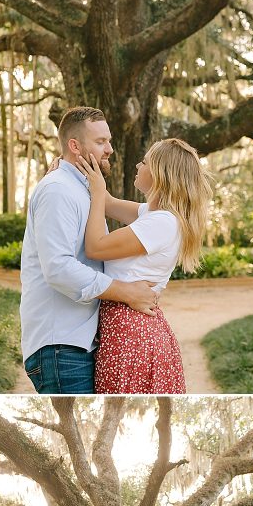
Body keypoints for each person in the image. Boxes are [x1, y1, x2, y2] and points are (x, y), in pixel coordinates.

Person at [20, 107, 158, 394]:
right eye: (100, 142)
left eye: (108, 141)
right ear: (75, 146)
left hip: (77, 342)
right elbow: (58, 269)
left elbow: (151, 215)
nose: (109, 149)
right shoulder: (58, 189)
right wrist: (126, 291)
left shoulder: (83, 189)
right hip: (61, 345)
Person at [77, 137, 212, 394]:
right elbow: (108, 203)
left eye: (145, 161)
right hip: (134, 327)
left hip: (132, 333)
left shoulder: (162, 223)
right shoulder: (154, 215)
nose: (138, 165)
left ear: (161, 174)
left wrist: (96, 192)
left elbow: (95, 246)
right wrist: (70, 169)